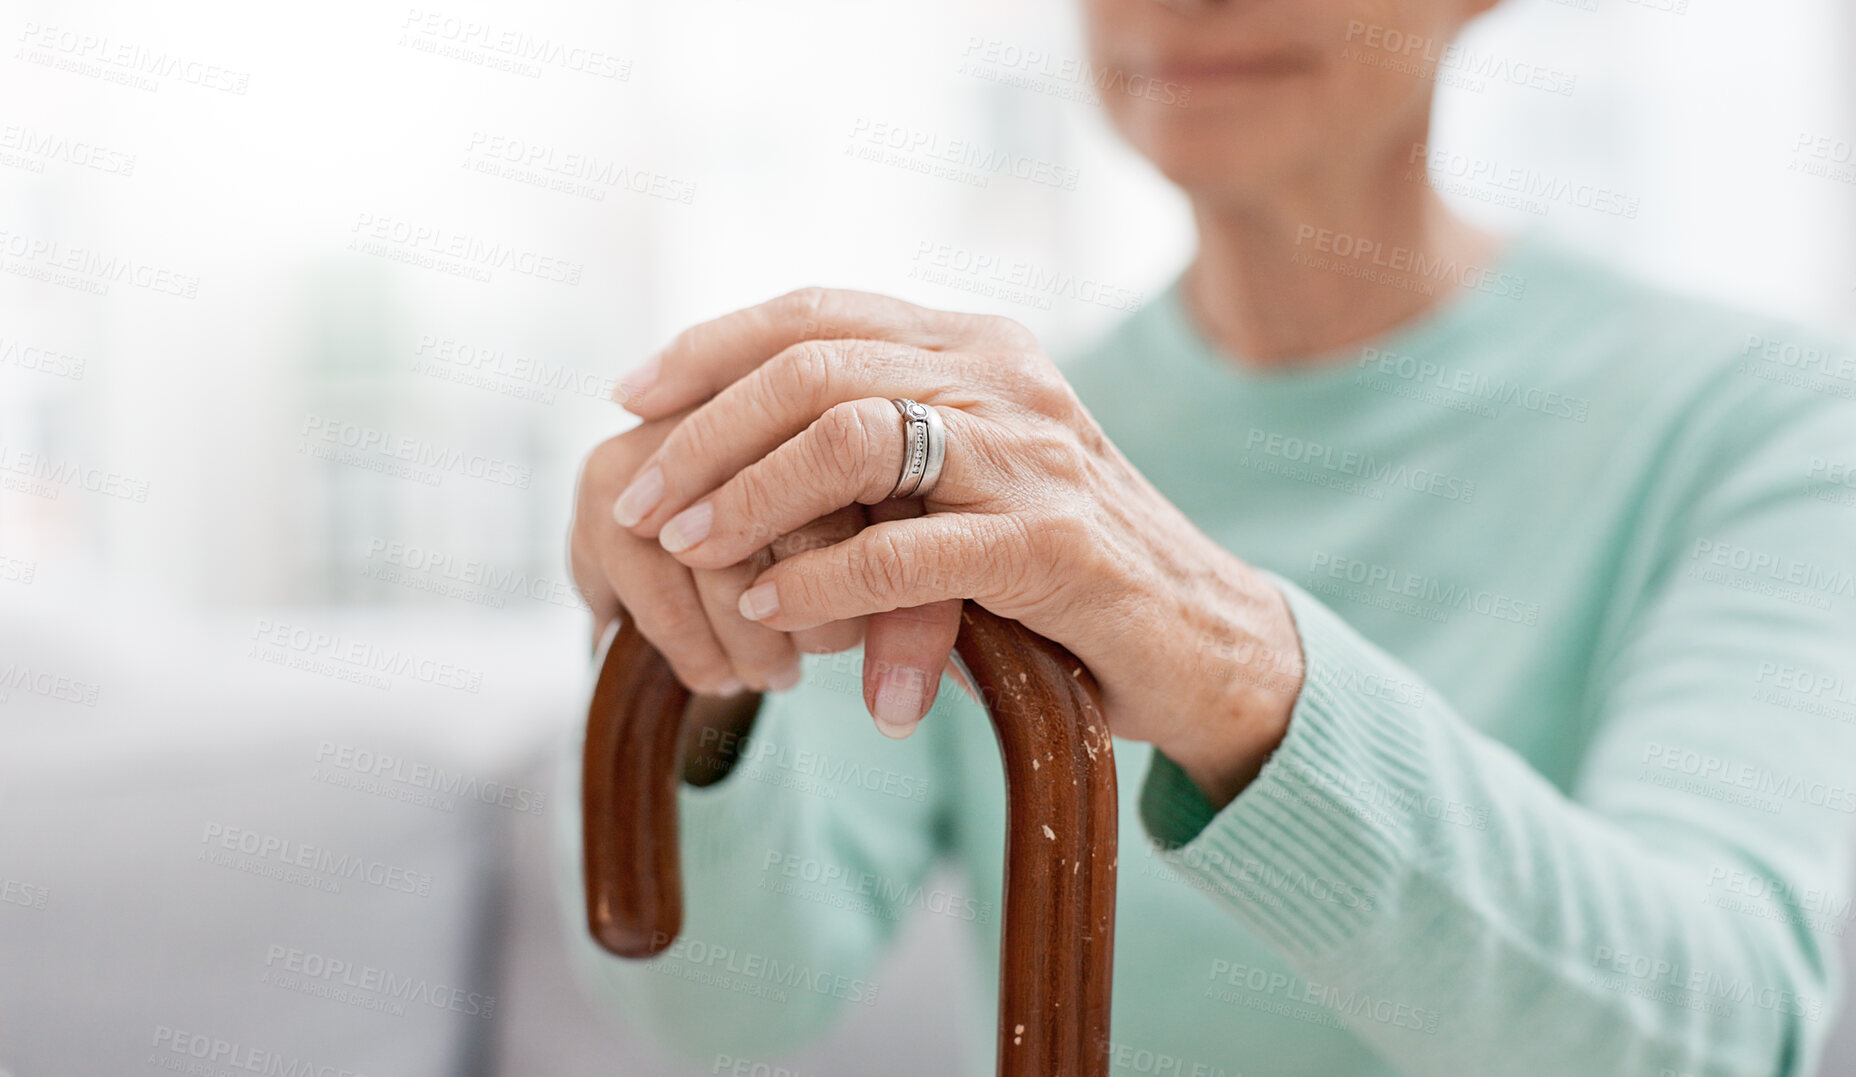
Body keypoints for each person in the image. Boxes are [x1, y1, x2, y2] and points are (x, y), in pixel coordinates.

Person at [559, 0, 1856, 1073]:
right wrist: (684, 661)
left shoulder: (1762, 423)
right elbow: (719, 1003)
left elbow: (1719, 1032)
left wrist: (1234, 668)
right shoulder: (988, 466)